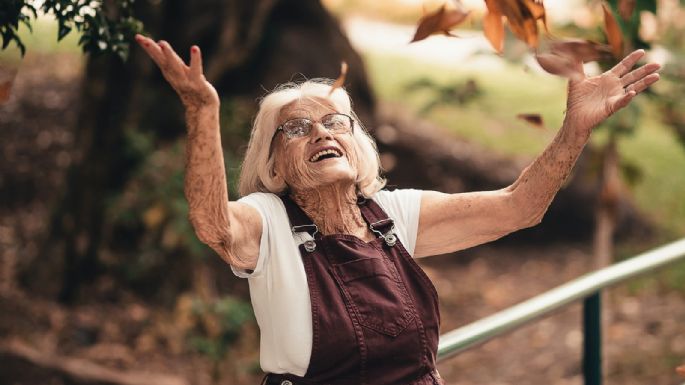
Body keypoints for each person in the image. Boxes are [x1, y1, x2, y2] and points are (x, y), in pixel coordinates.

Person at [134, 33, 660, 385]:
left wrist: (574, 130)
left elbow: (518, 207)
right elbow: (212, 223)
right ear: (274, 162)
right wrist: (203, 111)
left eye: (335, 122)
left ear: (356, 141)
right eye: (296, 128)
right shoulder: (267, 221)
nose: (321, 132)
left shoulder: (394, 214)